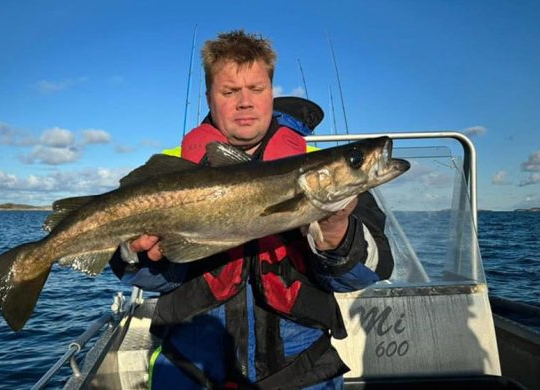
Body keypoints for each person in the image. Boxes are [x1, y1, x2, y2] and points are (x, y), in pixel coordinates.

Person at [109, 30, 394, 390]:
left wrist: (337, 236)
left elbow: (372, 271)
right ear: (210, 97)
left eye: (256, 90)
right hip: (190, 369)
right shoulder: (173, 171)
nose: (245, 103)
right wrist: (140, 256)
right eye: (229, 92)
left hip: (301, 372)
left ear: (271, 92)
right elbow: (139, 275)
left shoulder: (322, 172)